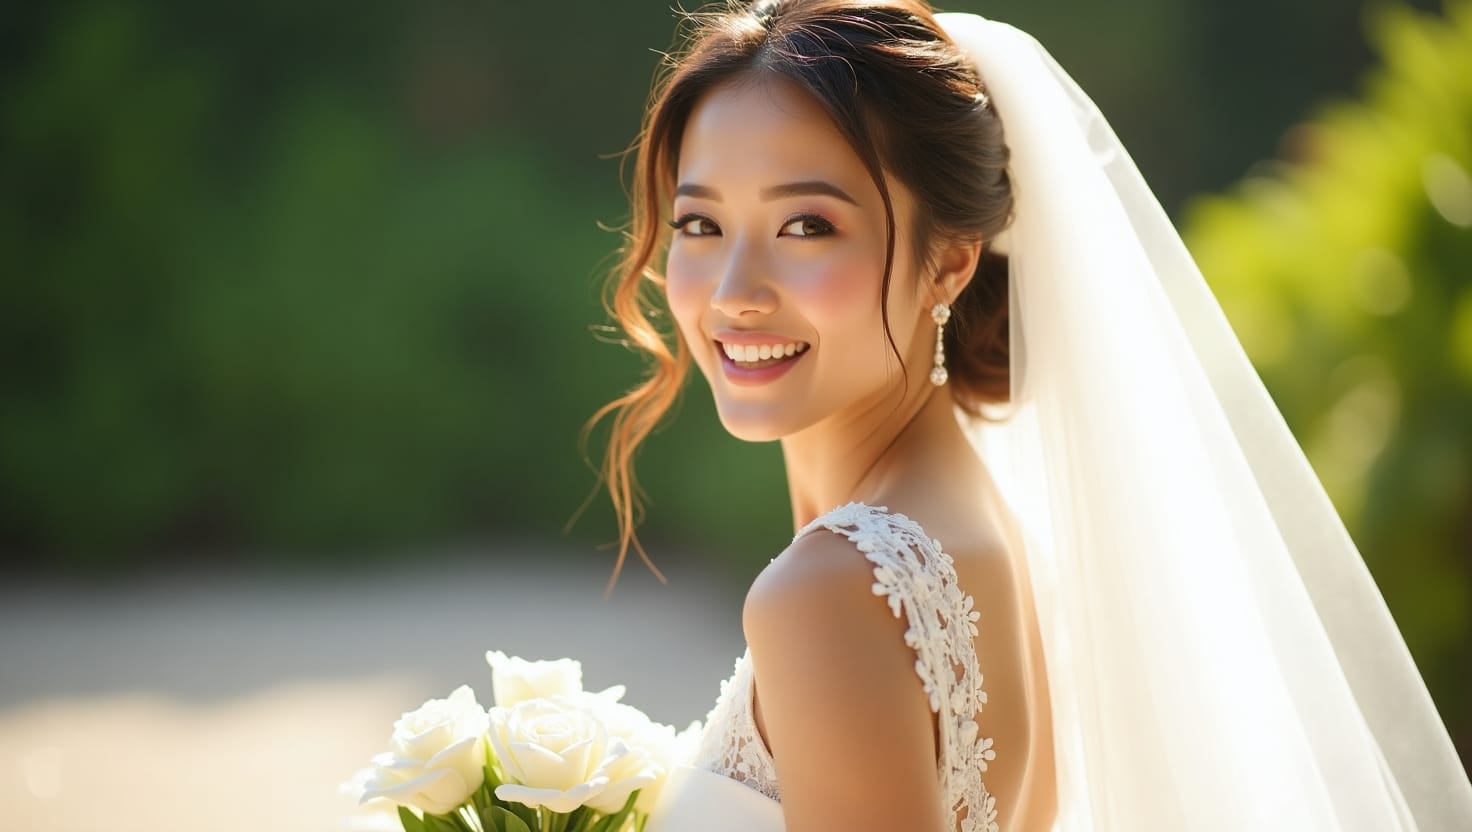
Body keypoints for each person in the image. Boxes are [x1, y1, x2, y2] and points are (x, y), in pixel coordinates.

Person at [586, 2, 1472, 830]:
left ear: (951, 264)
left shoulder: (830, 596)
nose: (735, 293)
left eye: (807, 226)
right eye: (700, 225)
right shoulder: (992, 524)